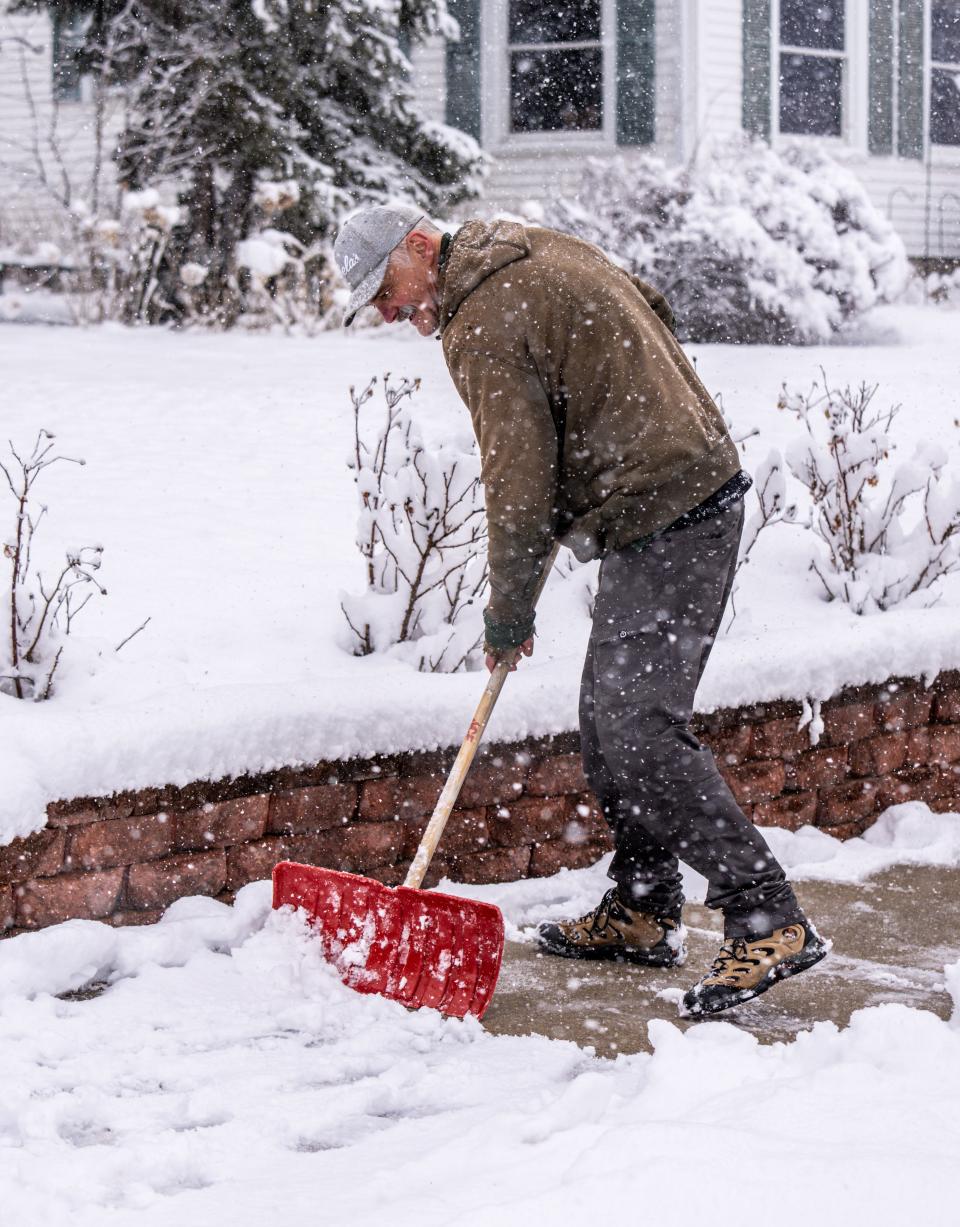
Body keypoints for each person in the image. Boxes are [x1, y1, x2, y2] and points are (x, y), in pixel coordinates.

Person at [334, 203, 828, 1016]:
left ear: (420, 247)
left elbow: (517, 481)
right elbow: (648, 304)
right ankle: (641, 907)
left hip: (671, 508)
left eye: (386, 289)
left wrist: (508, 610)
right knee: (606, 720)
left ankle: (766, 914)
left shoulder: (480, 322)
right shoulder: (526, 244)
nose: (387, 312)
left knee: (638, 724)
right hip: (671, 489)